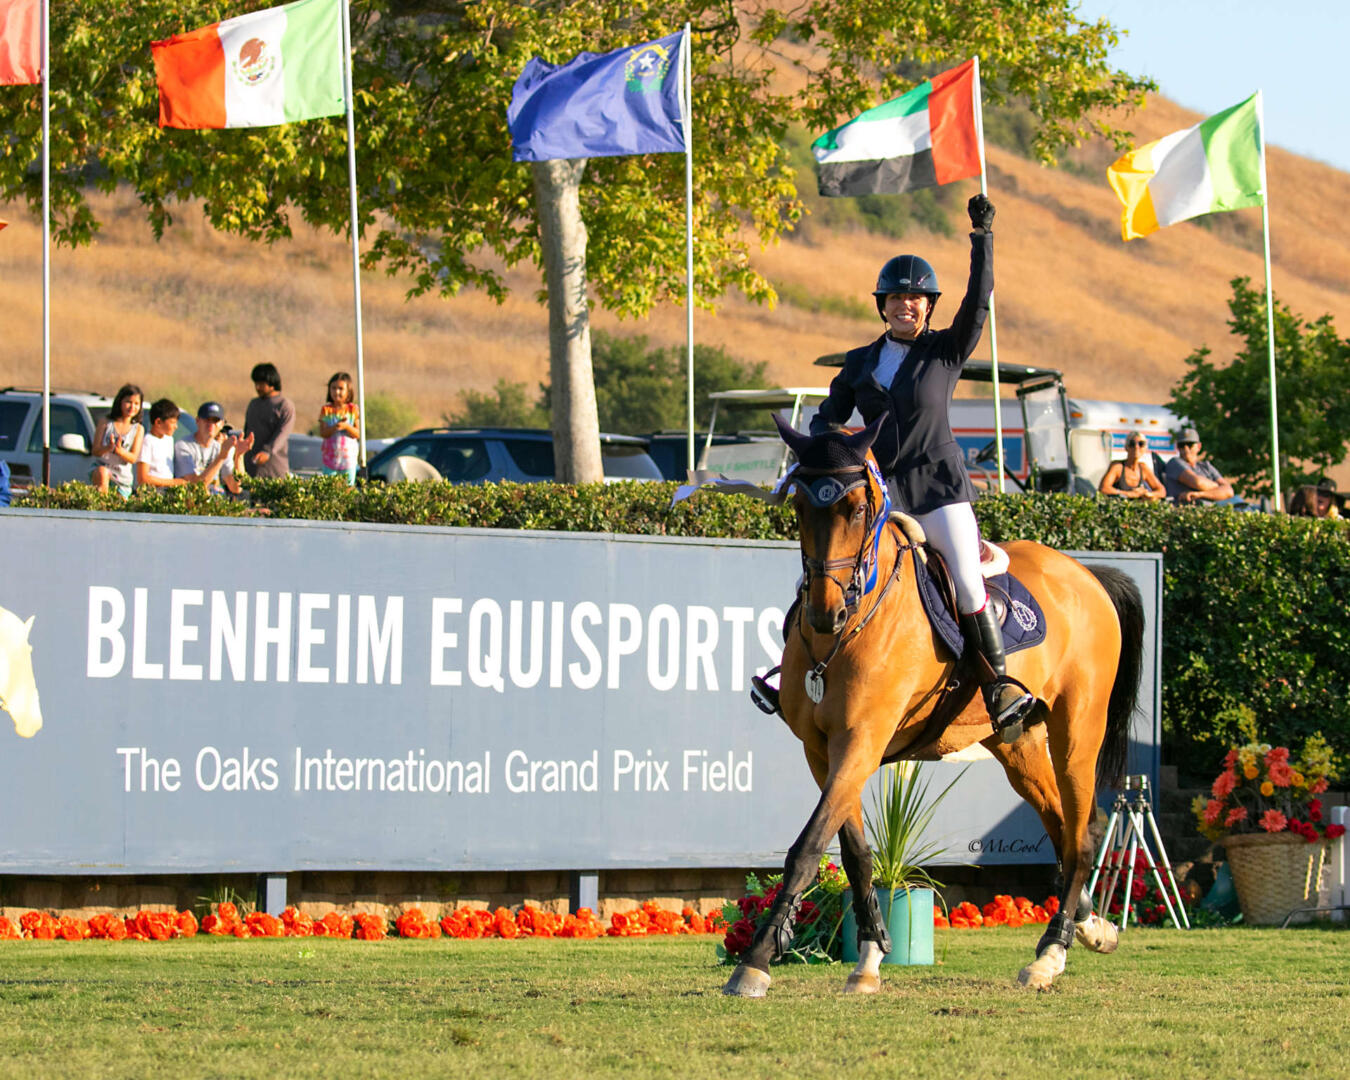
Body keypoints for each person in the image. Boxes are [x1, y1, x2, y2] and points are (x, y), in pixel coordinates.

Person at [809, 193, 1033, 741]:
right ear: (881, 305)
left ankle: (1000, 687)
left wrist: (983, 240)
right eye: (896, 298)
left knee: (963, 578)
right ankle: (796, 672)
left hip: (938, 492)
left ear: (928, 306)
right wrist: (830, 453)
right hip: (884, 496)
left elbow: (978, 303)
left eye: (915, 299)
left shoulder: (945, 351)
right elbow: (826, 418)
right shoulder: (861, 362)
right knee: (823, 572)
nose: (906, 306)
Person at [174, 401, 252, 495]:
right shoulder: (183, 446)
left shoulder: (221, 448)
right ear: (197, 421)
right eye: (207, 420)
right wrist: (221, 456)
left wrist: (239, 455)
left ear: (222, 424)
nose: (211, 425)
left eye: (215, 421)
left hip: (217, 505)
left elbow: (236, 488)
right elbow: (195, 487)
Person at [1163, 428, 1244, 507]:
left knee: (1242, 504)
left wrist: (1200, 494)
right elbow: (1198, 482)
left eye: (1190, 445)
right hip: (1189, 511)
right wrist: (1219, 488)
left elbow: (1229, 491)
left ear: (1199, 446)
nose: (1186, 449)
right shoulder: (1174, 463)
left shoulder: (1206, 466)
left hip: (1213, 509)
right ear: (1177, 447)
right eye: (1182, 445)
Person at [90, 384, 144, 497]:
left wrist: (120, 452)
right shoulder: (105, 422)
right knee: (102, 472)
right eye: (128, 402)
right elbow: (95, 450)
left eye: (136, 403)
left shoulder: (138, 429)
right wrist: (108, 448)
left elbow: (133, 458)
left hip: (122, 479)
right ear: (120, 402)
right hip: (102, 472)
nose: (132, 407)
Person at [244, 362, 294, 478]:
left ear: (272, 382)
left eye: (261, 384)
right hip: (251, 469)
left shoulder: (284, 405)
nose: (257, 387)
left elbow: (283, 433)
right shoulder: (253, 404)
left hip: (275, 470)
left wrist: (268, 452)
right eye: (256, 383)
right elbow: (247, 431)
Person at [318, 371, 361, 484]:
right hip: (330, 459)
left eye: (341, 388)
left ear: (348, 391)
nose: (336, 392)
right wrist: (335, 428)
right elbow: (323, 433)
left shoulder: (353, 410)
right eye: (333, 388)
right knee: (329, 488)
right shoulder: (326, 410)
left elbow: (357, 433)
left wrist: (346, 426)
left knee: (348, 489)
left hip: (348, 459)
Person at [1098, 432, 1166, 501]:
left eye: (1141, 444)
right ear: (1126, 447)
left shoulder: (1143, 468)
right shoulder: (1117, 466)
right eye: (1132, 444)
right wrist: (1128, 494)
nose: (1136, 447)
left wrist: (1148, 494)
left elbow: (1162, 491)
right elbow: (1104, 488)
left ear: (1145, 448)